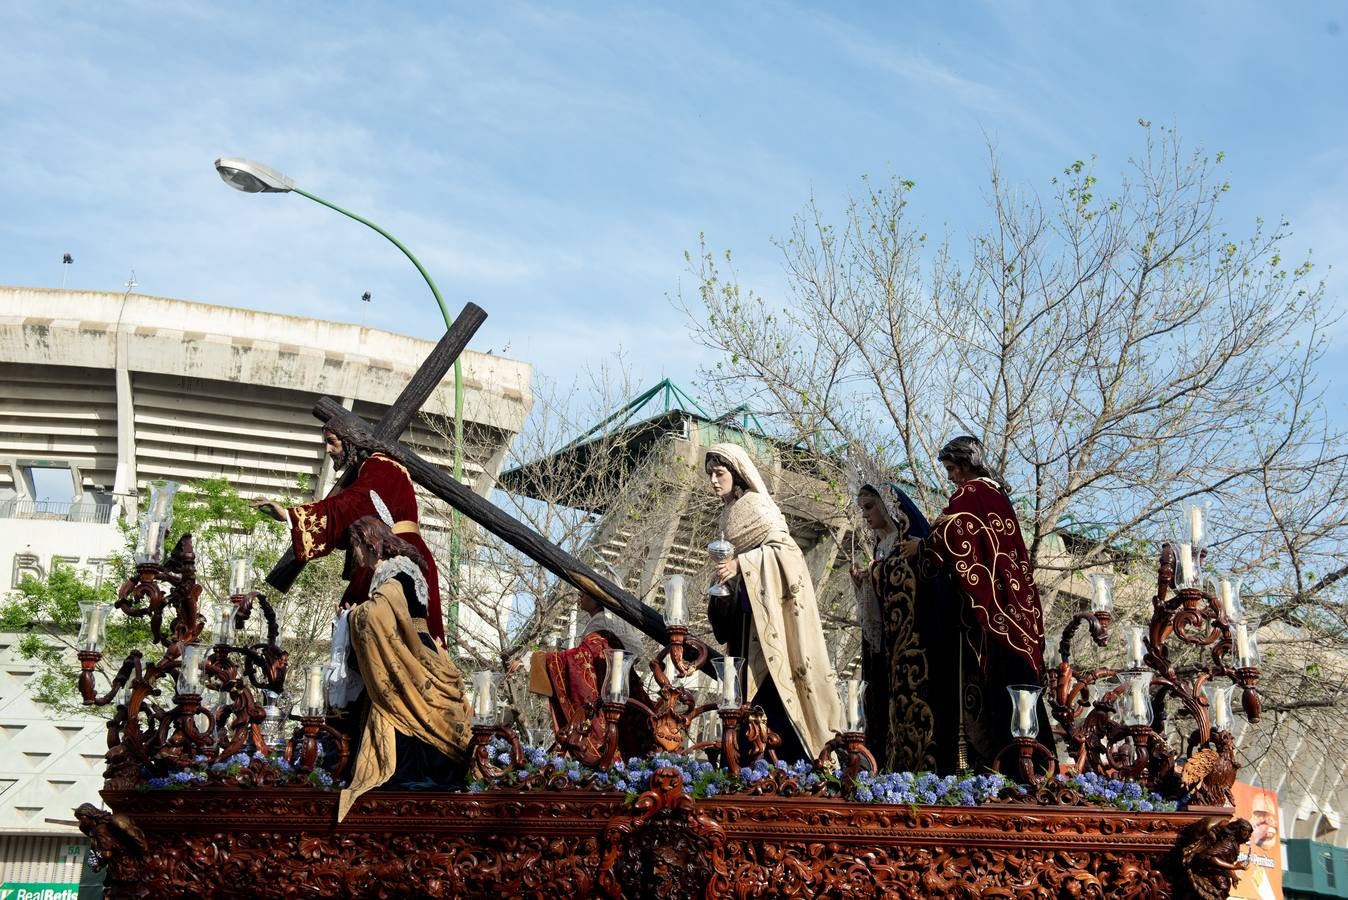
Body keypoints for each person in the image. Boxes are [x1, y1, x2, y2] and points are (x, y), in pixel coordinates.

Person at [898, 436, 1051, 774]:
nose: (951, 477)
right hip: (1015, 605)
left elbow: (954, 531)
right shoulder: (998, 495)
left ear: (966, 464)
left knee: (994, 685)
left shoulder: (971, 493)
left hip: (994, 612)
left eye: (952, 469)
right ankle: (1031, 763)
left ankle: (1008, 765)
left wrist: (922, 548)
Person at [704, 443, 841, 762]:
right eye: (710, 474)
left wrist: (742, 565)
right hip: (742, 617)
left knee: (773, 698)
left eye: (719, 473)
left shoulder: (757, 507)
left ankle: (788, 763)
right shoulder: (725, 515)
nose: (713, 480)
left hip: (768, 624)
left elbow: (786, 552)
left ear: (736, 474)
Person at [255, 423, 447, 645]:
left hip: (399, 554)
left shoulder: (380, 465)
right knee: (353, 616)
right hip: (393, 549)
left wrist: (290, 515)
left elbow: (353, 503)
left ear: (349, 441)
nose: (327, 450)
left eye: (331, 442)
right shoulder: (373, 467)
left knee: (369, 623)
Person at [335, 515, 471, 822]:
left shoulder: (394, 573)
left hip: (411, 656)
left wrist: (353, 615)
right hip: (421, 649)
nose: (354, 556)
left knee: (402, 709)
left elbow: (379, 615)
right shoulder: (400, 570)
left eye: (355, 547)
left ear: (369, 542)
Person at [850, 482, 960, 773]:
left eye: (870, 506)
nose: (866, 515)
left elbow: (922, 581)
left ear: (889, 507)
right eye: (862, 509)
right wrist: (863, 582)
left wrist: (875, 571)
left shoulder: (913, 541)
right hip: (890, 652)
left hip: (918, 649)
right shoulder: (881, 546)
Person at [525, 592, 655, 760]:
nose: (579, 595)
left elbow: (582, 659)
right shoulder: (599, 623)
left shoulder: (602, 623)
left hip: (608, 700)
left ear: (598, 599)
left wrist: (537, 659)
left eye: (585, 593)